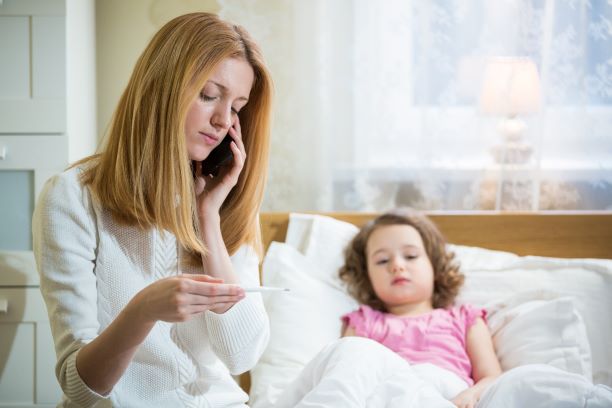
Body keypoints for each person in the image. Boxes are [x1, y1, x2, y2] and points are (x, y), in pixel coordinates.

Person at [32, 12, 272, 408]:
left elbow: (242, 356)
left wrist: (207, 219)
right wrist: (142, 311)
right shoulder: (72, 197)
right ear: (161, 90)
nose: (222, 120)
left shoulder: (227, 202)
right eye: (210, 95)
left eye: (236, 108)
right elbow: (79, 387)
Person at [273, 208, 612, 408]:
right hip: (398, 392)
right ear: (367, 275)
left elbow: (491, 375)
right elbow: (351, 372)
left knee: (529, 379)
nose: (397, 266)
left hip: (454, 395)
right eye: (382, 260)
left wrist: (472, 394)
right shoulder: (365, 322)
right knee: (354, 352)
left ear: (433, 265)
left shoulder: (463, 317)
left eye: (410, 255)